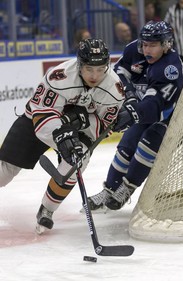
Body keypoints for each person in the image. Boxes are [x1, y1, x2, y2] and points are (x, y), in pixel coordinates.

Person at [0, 38, 125, 232]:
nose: (95, 75)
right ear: (79, 64)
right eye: (89, 69)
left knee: (78, 161)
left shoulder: (114, 90)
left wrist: (80, 124)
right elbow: (42, 114)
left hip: (80, 130)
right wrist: (62, 134)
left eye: (100, 69)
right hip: (38, 122)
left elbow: (103, 126)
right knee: (5, 171)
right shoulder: (59, 77)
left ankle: (47, 210)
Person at [86, 20, 183, 211]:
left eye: (153, 45)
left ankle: (127, 188)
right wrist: (130, 96)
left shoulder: (169, 68)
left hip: (172, 116)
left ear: (166, 45)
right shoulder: (135, 49)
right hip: (144, 108)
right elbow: (119, 72)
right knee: (127, 145)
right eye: (145, 44)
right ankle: (109, 190)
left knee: (148, 143)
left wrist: (131, 112)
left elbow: (155, 106)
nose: (146, 49)